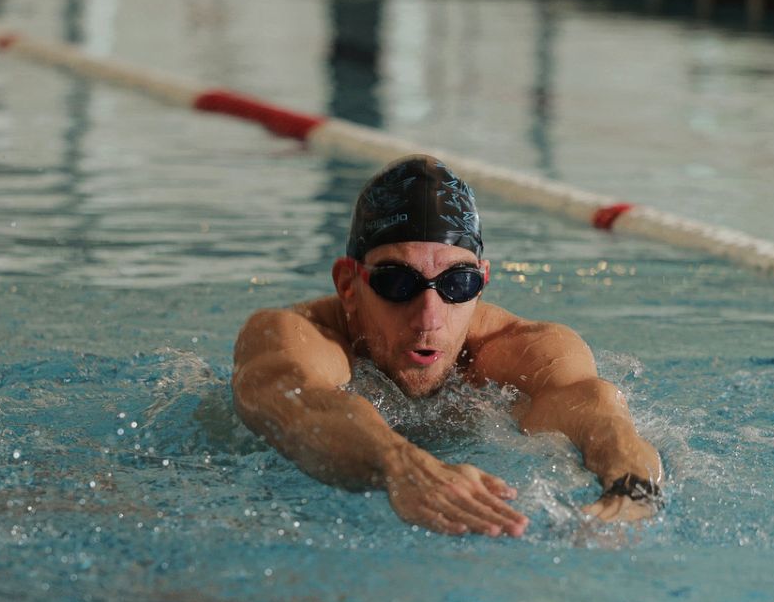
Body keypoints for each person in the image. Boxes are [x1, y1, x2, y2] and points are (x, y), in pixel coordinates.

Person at [233, 155, 664, 537]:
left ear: (482, 282)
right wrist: (398, 461)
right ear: (348, 284)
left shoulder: (522, 348)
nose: (429, 318)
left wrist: (634, 491)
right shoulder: (296, 334)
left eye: (457, 284)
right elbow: (298, 404)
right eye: (398, 282)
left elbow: (599, 411)